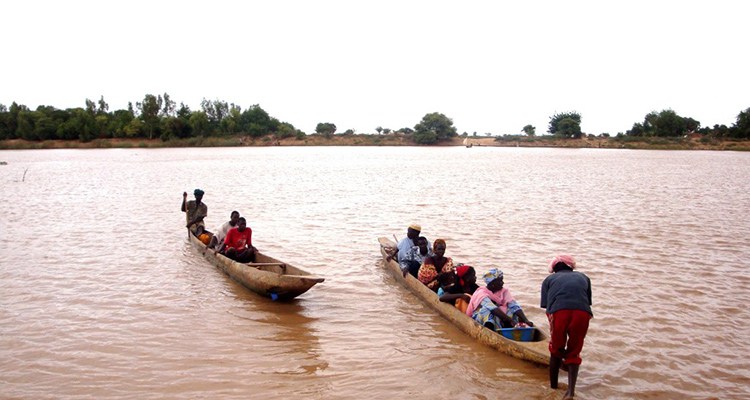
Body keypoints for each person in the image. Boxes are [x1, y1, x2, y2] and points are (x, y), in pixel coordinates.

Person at [541, 255, 593, 399]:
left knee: (555, 349)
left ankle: (553, 386)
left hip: (559, 312)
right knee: (574, 351)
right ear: (570, 267)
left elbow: (546, 305)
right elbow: (587, 301)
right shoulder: (584, 277)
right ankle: (571, 391)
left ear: (554, 269)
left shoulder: (549, 280)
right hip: (583, 313)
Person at [465, 268, 534, 330]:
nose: (503, 283)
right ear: (493, 283)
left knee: (511, 310)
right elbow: (493, 308)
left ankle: (507, 328)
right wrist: (510, 320)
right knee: (486, 310)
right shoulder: (481, 293)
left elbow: (513, 305)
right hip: (481, 317)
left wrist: (526, 320)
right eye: (500, 281)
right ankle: (489, 329)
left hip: (499, 316)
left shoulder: (504, 291)